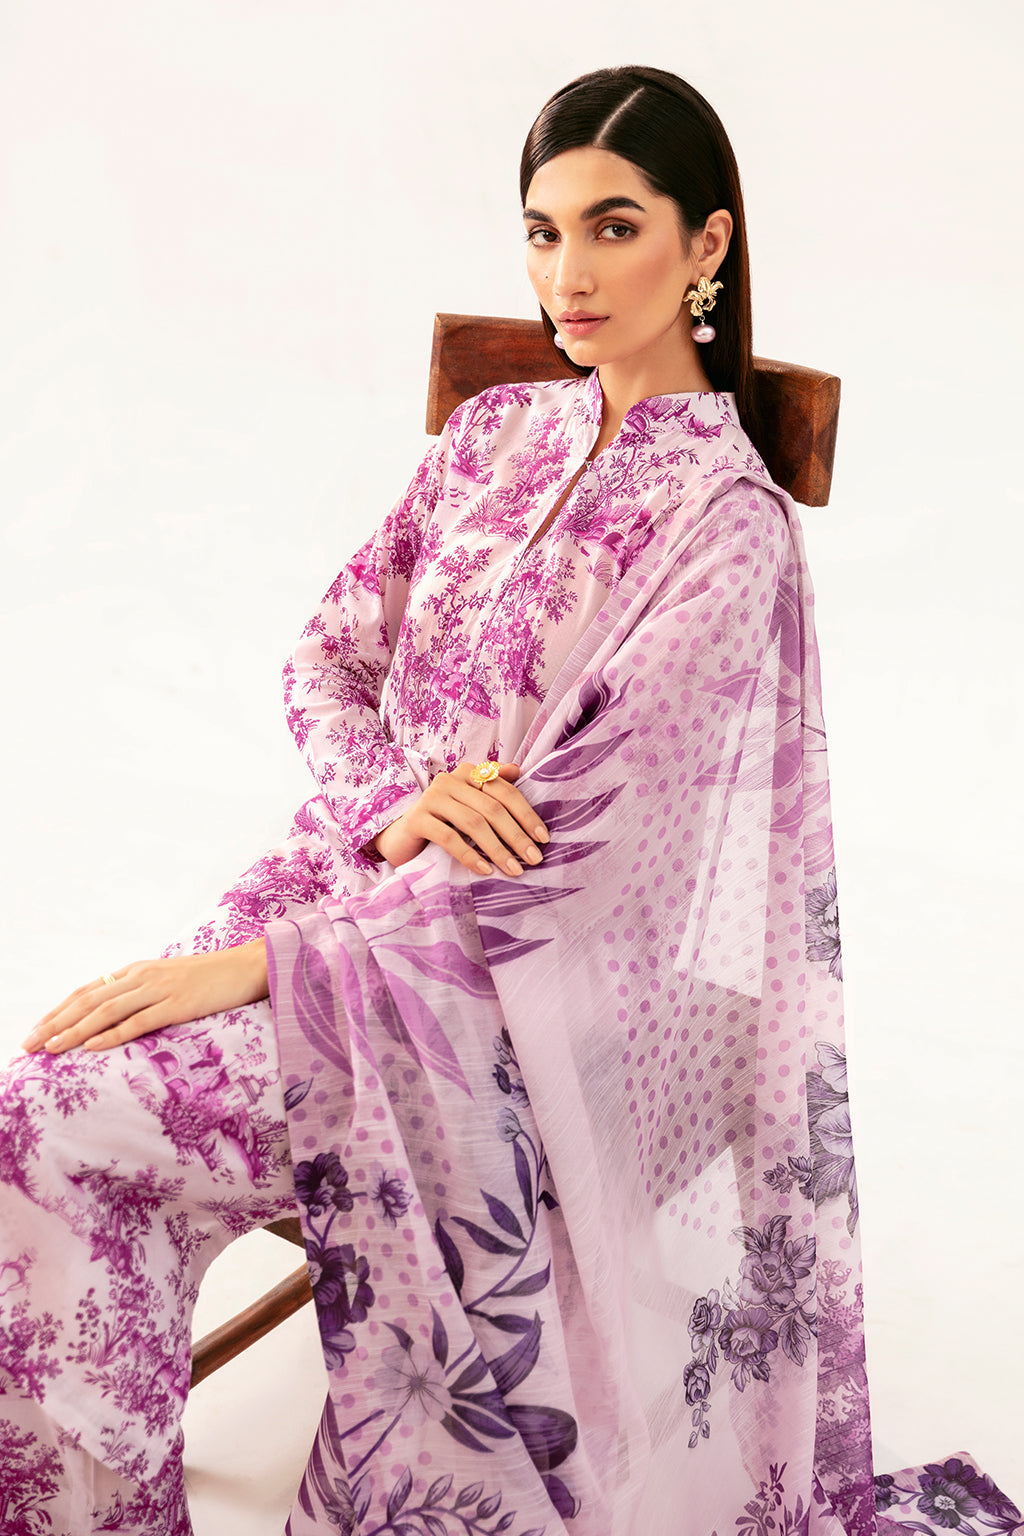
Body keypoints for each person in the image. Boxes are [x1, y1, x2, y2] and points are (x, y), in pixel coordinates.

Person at [0, 63, 1019, 1536]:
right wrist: (401, 798)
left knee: (53, 1123)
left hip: (509, 997)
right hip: (338, 884)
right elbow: (327, 660)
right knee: (34, 1110)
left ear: (708, 244)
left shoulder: (725, 533)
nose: (568, 276)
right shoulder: (494, 437)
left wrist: (260, 968)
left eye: (614, 227)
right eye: (543, 233)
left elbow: (576, 870)